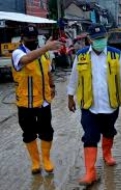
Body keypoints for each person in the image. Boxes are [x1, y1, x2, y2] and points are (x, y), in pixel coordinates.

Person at [67, 24, 121, 186]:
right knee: (90, 136)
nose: (99, 41)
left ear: (107, 37)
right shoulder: (81, 56)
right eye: (96, 39)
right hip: (89, 106)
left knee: (109, 131)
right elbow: (74, 78)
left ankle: (107, 153)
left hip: (111, 104)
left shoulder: (116, 55)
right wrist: (70, 97)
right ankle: (90, 172)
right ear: (89, 39)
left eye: (102, 38)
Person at [11, 25, 61, 174]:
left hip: (44, 101)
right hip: (26, 102)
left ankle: (46, 159)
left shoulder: (44, 54)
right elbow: (27, 58)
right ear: (22, 38)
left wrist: (52, 86)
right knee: (28, 133)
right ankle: (35, 162)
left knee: (47, 131)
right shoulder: (17, 53)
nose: (32, 40)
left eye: (34, 37)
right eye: (29, 38)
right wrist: (46, 48)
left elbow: (48, 71)